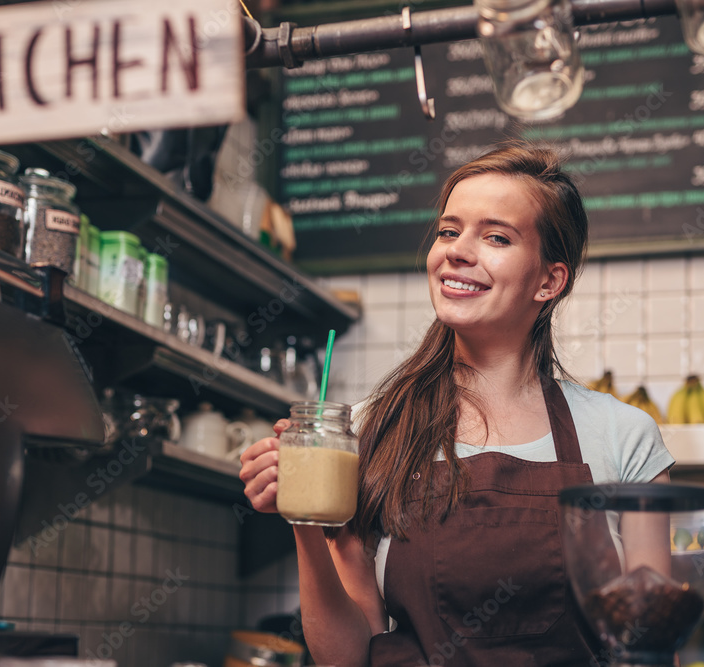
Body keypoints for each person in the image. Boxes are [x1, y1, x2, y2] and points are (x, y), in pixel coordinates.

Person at [240, 143, 674, 667]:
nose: (457, 250)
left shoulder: (622, 436)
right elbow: (348, 656)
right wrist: (305, 519)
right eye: (449, 231)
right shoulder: (369, 430)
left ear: (550, 280)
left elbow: (651, 646)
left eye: (496, 236)